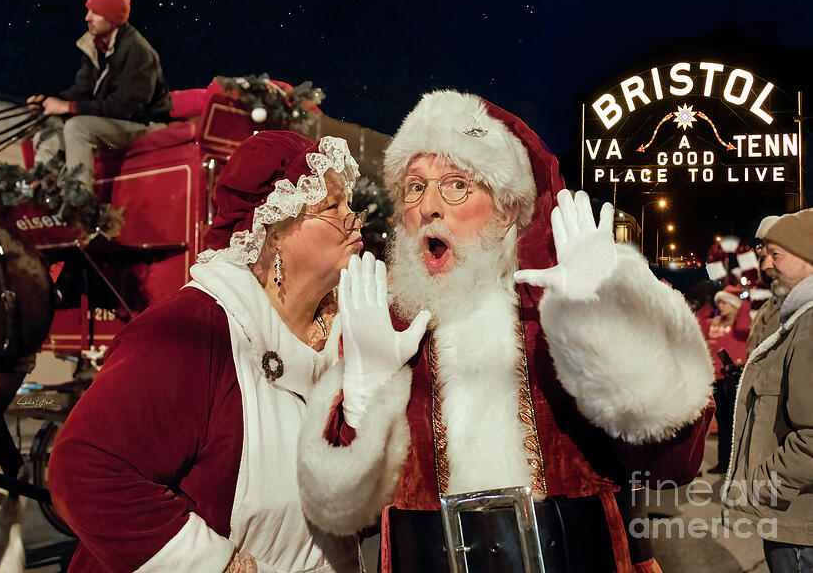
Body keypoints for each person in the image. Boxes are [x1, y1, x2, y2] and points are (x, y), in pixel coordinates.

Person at [297, 90, 714, 572]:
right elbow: (345, 514)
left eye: (456, 184)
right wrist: (364, 392)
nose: (428, 206)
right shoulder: (386, 325)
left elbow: (672, 466)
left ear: (507, 210)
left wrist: (605, 329)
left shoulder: (556, 303)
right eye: (414, 187)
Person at [47, 131, 364, 573]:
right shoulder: (195, 329)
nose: (354, 219)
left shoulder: (353, 334)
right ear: (273, 230)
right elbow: (85, 470)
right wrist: (216, 565)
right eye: (332, 207)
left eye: (349, 203)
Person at [724, 208, 813, 572]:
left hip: (799, 527)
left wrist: (759, 485)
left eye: (777, 254)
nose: (765, 265)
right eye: (764, 254)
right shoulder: (795, 319)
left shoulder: (808, 328)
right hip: (792, 519)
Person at [28, 0, 172, 189]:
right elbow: (81, 92)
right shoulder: (95, 48)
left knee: (77, 128)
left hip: (145, 124)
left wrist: (69, 108)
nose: (87, 18)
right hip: (114, 121)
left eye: (95, 13)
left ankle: (78, 199)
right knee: (49, 129)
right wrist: (47, 102)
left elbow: (127, 108)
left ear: (112, 17)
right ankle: (44, 196)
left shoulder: (139, 52)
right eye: (88, 12)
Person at [697, 285, 750, 474]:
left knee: (737, 422)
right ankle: (723, 463)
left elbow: (745, 324)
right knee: (723, 422)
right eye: (719, 302)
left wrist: (740, 303)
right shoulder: (713, 321)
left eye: (725, 302)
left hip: (733, 377)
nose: (721, 305)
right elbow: (698, 323)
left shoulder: (740, 323)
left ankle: (737, 465)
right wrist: (710, 302)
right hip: (715, 378)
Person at [746, 215, 781, 353]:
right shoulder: (769, 306)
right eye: (762, 256)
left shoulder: (800, 307)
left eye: (775, 254)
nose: (765, 265)